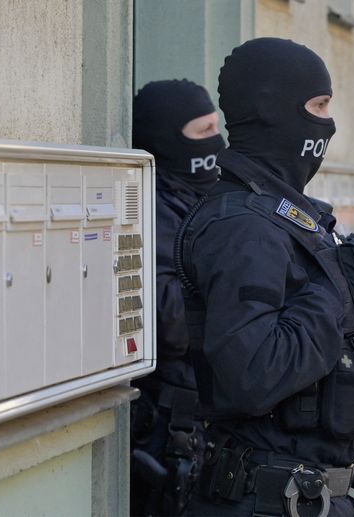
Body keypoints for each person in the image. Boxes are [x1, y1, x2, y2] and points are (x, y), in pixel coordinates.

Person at [177, 38, 354, 517]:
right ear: (272, 109)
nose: (327, 124)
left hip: (302, 494)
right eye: (317, 106)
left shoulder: (286, 216)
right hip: (264, 499)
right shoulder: (244, 226)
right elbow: (254, 374)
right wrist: (335, 291)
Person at [129, 79, 226, 516]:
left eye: (216, 128)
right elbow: (173, 323)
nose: (217, 142)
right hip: (172, 429)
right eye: (202, 132)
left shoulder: (213, 198)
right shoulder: (149, 208)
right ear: (168, 139)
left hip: (216, 423)